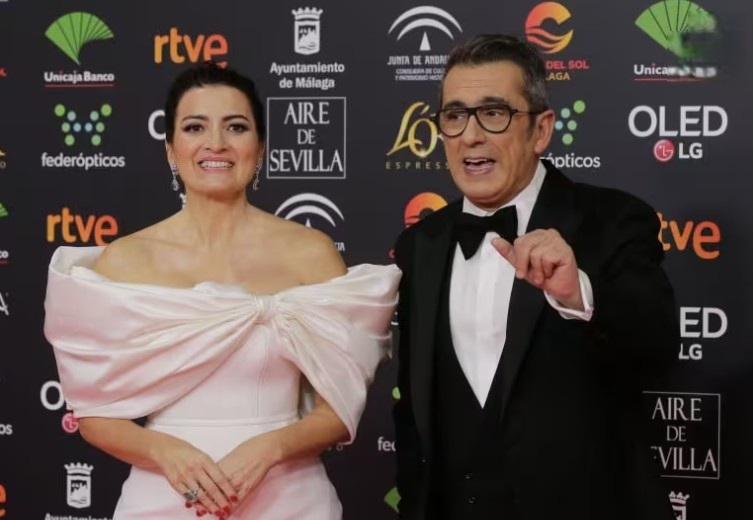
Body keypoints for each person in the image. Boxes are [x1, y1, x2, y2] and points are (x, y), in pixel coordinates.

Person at [44, 61, 400, 520]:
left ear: (260, 147)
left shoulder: (311, 254)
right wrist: (166, 451)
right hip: (163, 500)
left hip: (290, 500)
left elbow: (338, 410)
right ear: (171, 149)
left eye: (236, 127)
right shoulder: (125, 260)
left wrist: (269, 448)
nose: (216, 143)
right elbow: (94, 415)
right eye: (195, 127)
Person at [392, 34, 678, 520]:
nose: (471, 135)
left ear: (541, 131)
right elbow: (414, 410)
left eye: (494, 113)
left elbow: (656, 346)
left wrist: (577, 294)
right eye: (455, 116)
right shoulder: (420, 245)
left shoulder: (612, 220)